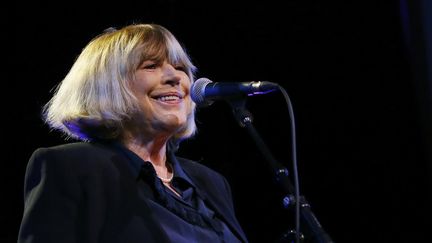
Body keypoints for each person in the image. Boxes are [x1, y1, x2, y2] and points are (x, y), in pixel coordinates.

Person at [18, 23, 248, 243]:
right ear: (109, 86)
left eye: (180, 68)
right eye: (151, 65)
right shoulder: (72, 168)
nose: (175, 77)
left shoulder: (210, 183)